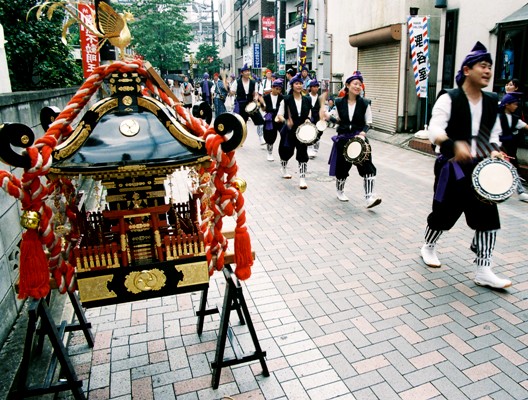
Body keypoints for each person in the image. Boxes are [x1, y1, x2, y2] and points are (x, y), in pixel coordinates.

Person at [420, 41, 512, 289]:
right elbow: (435, 130)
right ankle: (428, 246)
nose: (488, 71)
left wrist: (495, 153)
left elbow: (494, 136)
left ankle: (484, 269)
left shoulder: (493, 101)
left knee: (488, 218)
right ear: (467, 69)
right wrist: (452, 145)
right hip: (452, 168)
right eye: (483, 66)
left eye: (490, 67)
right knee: (443, 214)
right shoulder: (449, 98)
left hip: (481, 170)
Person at [321, 71, 381, 207]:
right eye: (355, 84)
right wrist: (327, 117)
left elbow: (368, 123)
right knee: (342, 169)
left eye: (360, 84)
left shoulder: (365, 103)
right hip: (343, 140)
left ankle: (369, 197)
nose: (358, 86)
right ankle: (340, 191)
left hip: (359, 140)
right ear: (347, 85)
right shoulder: (339, 102)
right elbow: (337, 120)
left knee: (368, 168)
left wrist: (362, 133)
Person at [275, 73, 312, 189]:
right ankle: (284, 168)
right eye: (296, 83)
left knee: (302, 154)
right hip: (289, 130)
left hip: (302, 131)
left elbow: (309, 114)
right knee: (286, 152)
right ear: (292, 85)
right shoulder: (286, 99)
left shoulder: (307, 99)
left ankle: (302, 178)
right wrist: (286, 122)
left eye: (301, 83)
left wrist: (308, 119)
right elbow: (279, 115)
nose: (299, 85)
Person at [498, 93, 528, 202]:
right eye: (514, 104)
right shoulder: (496, 117)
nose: (516, 106)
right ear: (507, 104)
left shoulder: (514, 119)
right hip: (493, 148)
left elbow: (525, 126)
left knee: (510, 169)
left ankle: (520, 191)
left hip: (504, 150)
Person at [230, 64, 264, 137]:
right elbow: (232, 92)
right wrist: (229, 90)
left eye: (248, 71)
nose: (248, 72)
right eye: (246, 71)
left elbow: (256, 93)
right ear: (242, 73)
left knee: (260, 121)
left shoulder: (253, 82)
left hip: (251, 104)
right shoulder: (237, 82)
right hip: (241, 105)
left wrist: (255, 99)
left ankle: (261, 137)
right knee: (241, 123)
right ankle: (239, 139)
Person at [260, 78, 284, 162]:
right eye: (276, 88)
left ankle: (283, 153)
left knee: (284, 134)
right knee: (270, 135)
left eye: (279, 89)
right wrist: (262, 104)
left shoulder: (282, 97)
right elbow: (263, 109)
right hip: (270, 117)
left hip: (279, 117)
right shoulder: (266, 97)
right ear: (272, 88)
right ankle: (269, 152)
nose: (278, 90)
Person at [306, 79, 322, 159]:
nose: (316, 88)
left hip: (317, 118)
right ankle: (309, 148)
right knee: (310, 133)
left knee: (318, 133)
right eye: (314, 87)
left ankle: (315, 148)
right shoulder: (306, 97)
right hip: (308, 118)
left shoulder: (320, 98)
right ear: (310, 87)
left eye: (317, 87)